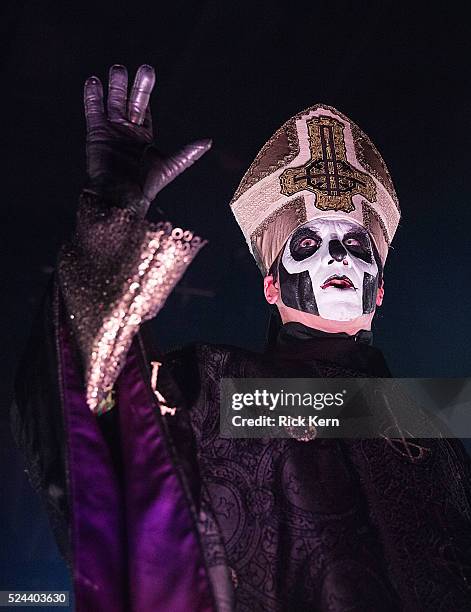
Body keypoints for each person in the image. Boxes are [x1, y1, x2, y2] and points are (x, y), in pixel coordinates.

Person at [11, 64, 471, 611]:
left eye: (355, 241)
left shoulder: (432, 420)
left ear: (380, 292)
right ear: (271, 286)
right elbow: (89, 416)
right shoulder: (221, 392)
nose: (340, 255)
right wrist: (109, 225)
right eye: (308, 243)